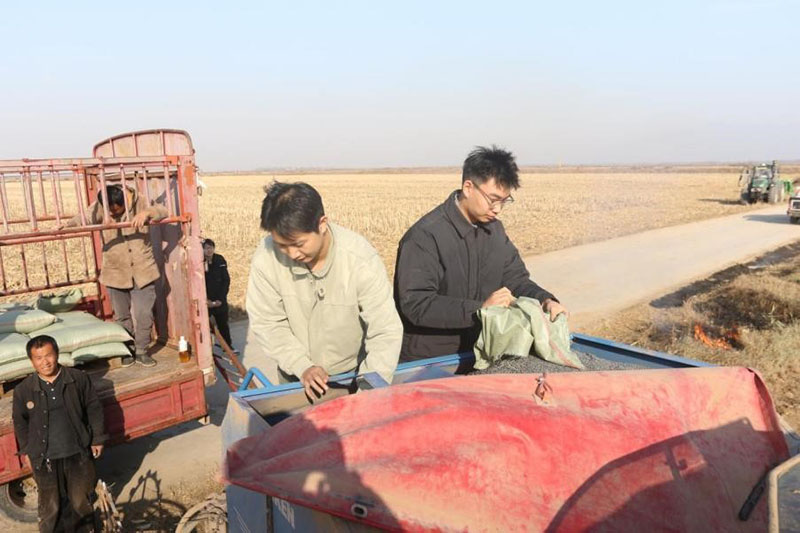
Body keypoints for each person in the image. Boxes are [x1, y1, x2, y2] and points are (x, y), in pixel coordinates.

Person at [394, 145, 568, 361]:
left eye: (504, 201)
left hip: (482, 353)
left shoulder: (495, 231)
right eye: (493, 199)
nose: (498, 209)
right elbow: (416, 303)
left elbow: (515, 279)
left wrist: (544, 300)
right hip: (431, 360)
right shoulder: (425, 236)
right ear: (468, 187)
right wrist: (480, 309)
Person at [246, 182, 402, 400]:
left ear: (322, 224)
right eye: (282, 245)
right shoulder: (266, 258)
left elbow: (384, 330)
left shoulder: (359, 258)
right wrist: (301, 365)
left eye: (298, 244)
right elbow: (268, 322)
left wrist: (368, 393)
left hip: (351, 376)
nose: (292, 254)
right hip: (296, 378)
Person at [64, 184, 167, 367]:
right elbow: (84, 217)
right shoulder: (101, 205)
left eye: (116, 210)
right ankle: (127, 350)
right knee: (122, 316)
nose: (112, 214)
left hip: (143, 270)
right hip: (115, 272)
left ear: (124, 202)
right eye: (109, 211)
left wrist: (147, 213)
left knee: (144, 314)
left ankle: (142, 350)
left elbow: (163, 211)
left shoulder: (141, 200)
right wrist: (67, 225)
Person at [12, 335, 106, 532]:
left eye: (49, 355)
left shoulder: (77, 379)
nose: (45, 362)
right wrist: (27, 450)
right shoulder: (23, 390)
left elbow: (93, 408)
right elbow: (20, 423)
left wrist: (97, 438)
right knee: (50, 508)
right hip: (44, 458)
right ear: (32, 361)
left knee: (81, 502)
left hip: (77, 453)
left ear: (57, 354)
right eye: (38, 358)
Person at [203, 238, 235, 352]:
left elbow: (226, 280)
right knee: (204, 326)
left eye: (210, 247)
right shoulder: (199, 262)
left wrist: (221, 299)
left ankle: (227, 347)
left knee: (223, 324)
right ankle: (206, 350)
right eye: (206, 248)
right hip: (206, 300)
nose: (209, 250)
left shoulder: (219, 259)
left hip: (219, 298)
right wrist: (206, 300)